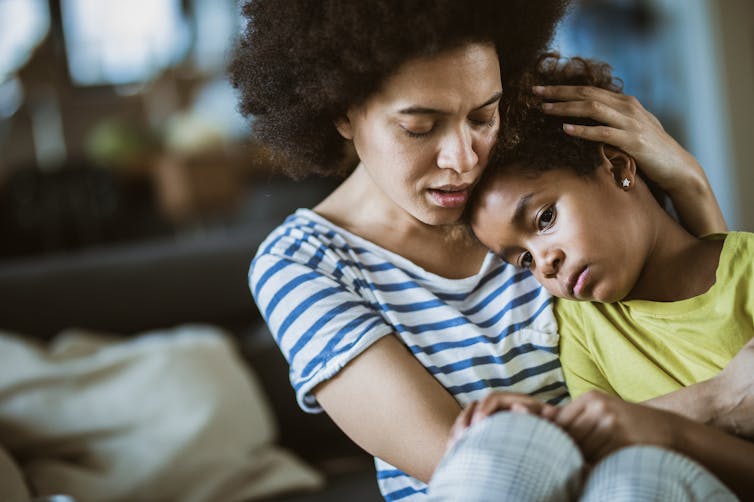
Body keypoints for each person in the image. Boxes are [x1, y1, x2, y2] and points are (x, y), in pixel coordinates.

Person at [230, 1, 743, 500]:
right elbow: (467, 463)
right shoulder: (302, 265)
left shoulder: (526, 198)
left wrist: (689, 183)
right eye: (419, 127)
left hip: (643, 482)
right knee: (503, 442)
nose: (463, 159)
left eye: (482, 116)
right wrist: (708, 405)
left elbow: (704, 336)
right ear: (341, 112)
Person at [465, 53, 754, 498]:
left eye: (545, 219)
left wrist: (659, 429)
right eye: (522, 261)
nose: (543, 263)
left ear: (619, 167)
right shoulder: (580, 328)